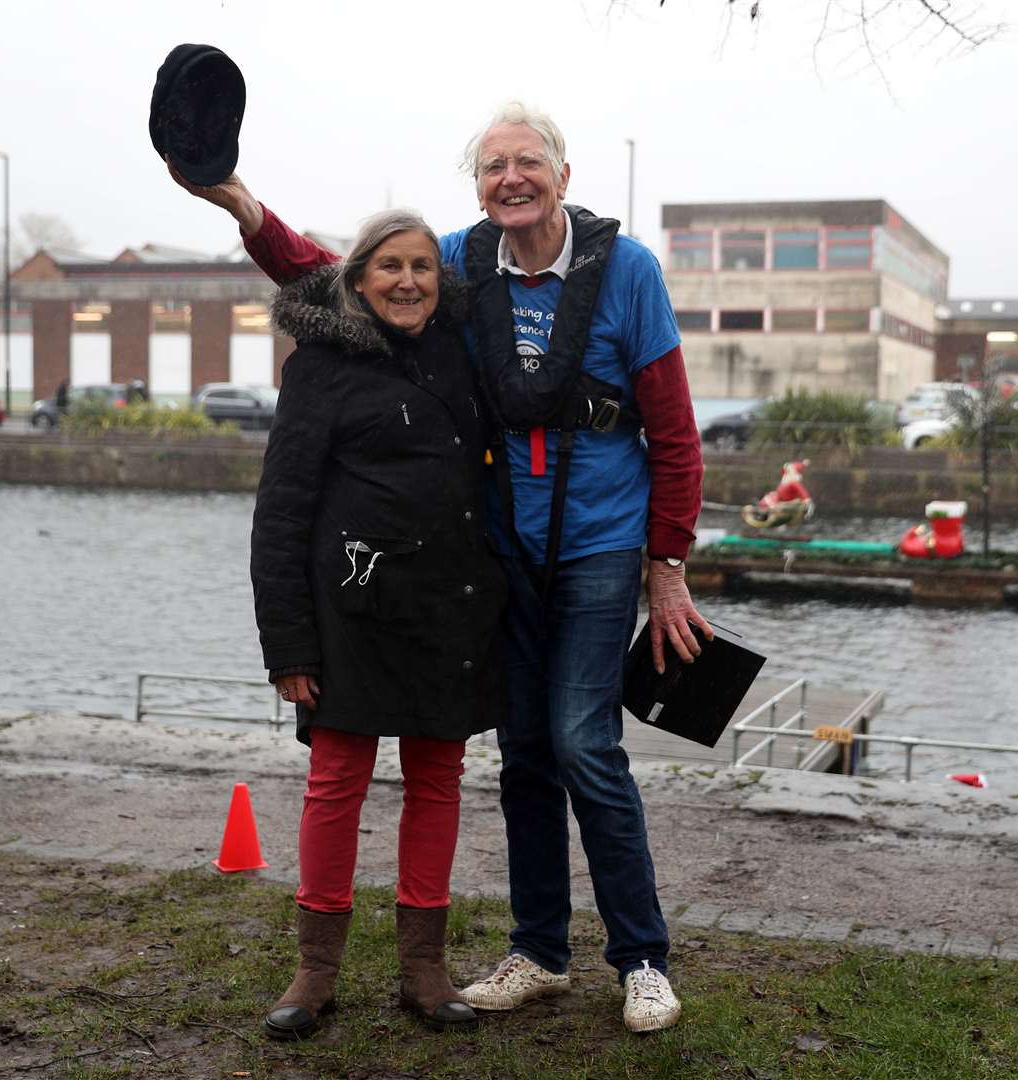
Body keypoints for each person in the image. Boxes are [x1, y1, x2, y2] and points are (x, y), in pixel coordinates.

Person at [170, 100, 708, 1034]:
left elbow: (674, 429)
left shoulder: (627, 273)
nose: (512, 178)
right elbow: (338, 273)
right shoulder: (461, 260)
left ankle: (642, 958)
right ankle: (539, 952)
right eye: (493, 165)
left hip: (595, 543)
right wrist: (246, 212)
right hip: (502, 555)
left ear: (564, 176)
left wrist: (667, 565)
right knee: (525, 755)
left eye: (527, 162)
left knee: (583, 743)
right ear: (478, 185)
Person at [249, 209, 507, 1040]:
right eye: (389, 266)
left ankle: (423, 972)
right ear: (357, 279)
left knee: (437, 783)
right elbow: (282, 512)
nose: (407, 281)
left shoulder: (461, 353)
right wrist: (287, 644)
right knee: (336, 786)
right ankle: (315, 972)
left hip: (446, 608)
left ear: (442, 281)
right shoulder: (319, 366)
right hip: (350, 612)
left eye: (423, 267)